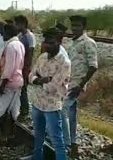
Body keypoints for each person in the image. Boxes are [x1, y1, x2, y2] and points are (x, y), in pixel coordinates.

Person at [28, 27, 71, 160]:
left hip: (51, 106)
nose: (47, 45)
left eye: (51, 42)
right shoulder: (42, 57)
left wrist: (38, 80)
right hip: (37, 102)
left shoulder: (64, 62)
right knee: (38, 136)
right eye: (46, 42)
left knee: (57, 140)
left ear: (59, 42)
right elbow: (30, 76)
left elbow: (52, 87)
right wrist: (41, 79)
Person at [62, 15, 98, 156]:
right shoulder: (71, 42)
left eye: (77, 26)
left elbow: (93, 66)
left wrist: (81, 84)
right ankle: (73, 143)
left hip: (76, 84)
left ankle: (65, 144)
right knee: (71, 113)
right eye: (73, 25)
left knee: (61, 110)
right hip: (67, 82)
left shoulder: (88, 42)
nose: (74, 28)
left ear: (84, 27)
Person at [0, 24, 25, 146]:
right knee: (13, 110)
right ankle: (11, 135)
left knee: (2, 111)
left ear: (8, 32)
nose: (2, 35)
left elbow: (9, 67)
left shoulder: (11, 46)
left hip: (8, 83)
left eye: (4, 32)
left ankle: (3, 137)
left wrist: (3, 84)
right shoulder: (19, 44)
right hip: (17, 81)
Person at [14, 15, 36, 118]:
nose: (15, 25)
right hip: (19, 65)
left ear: (23, 24)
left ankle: (24, 110)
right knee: (19, 88)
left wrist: (27, 69)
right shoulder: (20, 36)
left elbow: (30, 53)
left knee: (23, 88)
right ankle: (21, 108)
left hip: (25, 66)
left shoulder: (29, 36)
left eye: (17, 23)